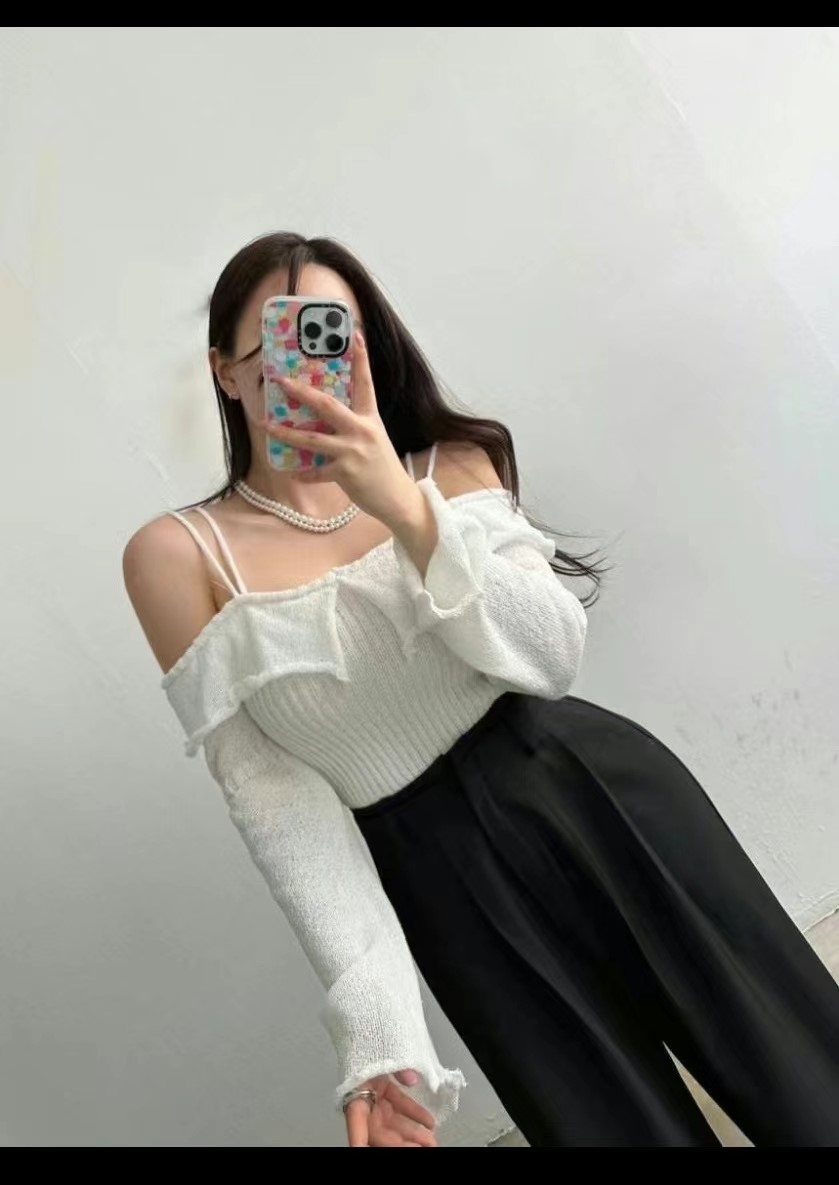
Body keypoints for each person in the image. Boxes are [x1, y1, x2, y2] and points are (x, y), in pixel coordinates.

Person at [124, 233, 839, 1149]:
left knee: (800, 1067)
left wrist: (402, 507)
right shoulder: (178, 557)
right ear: (225, 370)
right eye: (277, 345)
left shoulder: (448, 467)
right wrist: (379, 1040)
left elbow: (549, 657)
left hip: (594, 794)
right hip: (444, 886)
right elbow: (279, 806)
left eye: (332, 334)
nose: (306, 367)